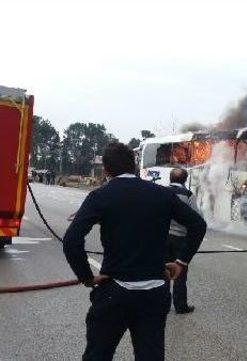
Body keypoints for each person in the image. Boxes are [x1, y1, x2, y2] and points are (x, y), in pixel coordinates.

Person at [62, 142, 207, 361]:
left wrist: (87, 277)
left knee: (98, 355)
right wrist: (181, 262)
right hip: (154, 293)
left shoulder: (100, 196)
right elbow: (198, 224)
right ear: (135, 166)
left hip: (114, 292)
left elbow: (72, 240)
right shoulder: (161, 194)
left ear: (106, 170)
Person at [166, 167, 202, 314]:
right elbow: (197, 218)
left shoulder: (162, 192)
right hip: (181, 239)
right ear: (185, 180)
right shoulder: (188, 195)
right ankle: (180, 306)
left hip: (163, 238)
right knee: (180, 272)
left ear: (170, 178)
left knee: (163, 270)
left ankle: (162, 304)